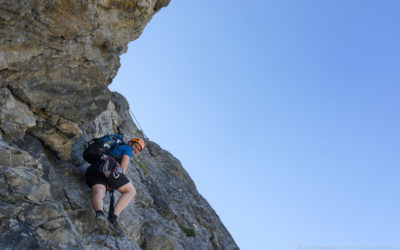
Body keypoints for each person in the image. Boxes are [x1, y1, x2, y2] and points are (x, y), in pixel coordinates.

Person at [85, 137, 145, 228]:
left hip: (94, 169)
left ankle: (100, 214)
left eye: (138, 150)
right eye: (136, 146)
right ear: (130, 143)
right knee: (131, 191)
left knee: (99, 192)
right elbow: (123, 166)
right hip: (108, 169)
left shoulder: (115, 148)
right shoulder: (127, 148)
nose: (136, 150)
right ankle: (112, 218)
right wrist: (117, 180)